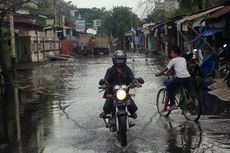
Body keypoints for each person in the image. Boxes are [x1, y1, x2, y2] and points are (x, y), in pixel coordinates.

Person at [99, 50, 141, 119]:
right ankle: (105, 113)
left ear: (124, 60)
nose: (119, 62)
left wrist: (136, 83)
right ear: (114, 60)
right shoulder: (110, 70)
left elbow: (132, 78)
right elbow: (105, 80)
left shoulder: (127, 70)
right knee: (108, 102)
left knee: (131, 103)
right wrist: (104, 85)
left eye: (121, 60)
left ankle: (132, 112)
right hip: (112, 91)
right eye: (118, 60)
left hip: (124, 91)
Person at [156, 46, 191, 112]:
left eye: (172, 53)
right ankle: (189, 99)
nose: (171, 54)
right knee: (186, 90)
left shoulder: (173, 60)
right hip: (188, 78)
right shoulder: (183, 59)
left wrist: (159, 73)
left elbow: (166, 69)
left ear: (176, 53)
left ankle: (173, 104)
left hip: (180, 79)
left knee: (169, 88)